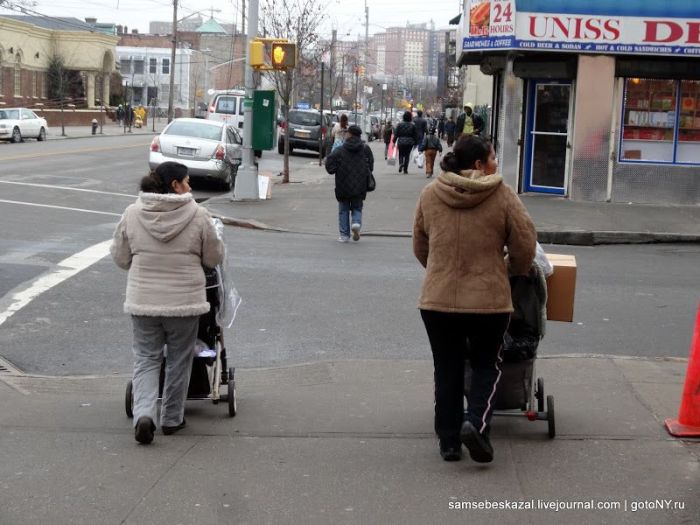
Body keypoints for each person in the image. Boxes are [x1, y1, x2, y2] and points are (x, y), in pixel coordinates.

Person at [412, 135, 536, 463]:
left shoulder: (430, 194)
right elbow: (525, 244)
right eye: (493, 157)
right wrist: (510, 272)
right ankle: (477, 425)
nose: (496, 163)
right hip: (488, 302)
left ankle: (449, 442)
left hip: (437, 301)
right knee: (486, 364)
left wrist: (441, 271)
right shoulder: (502, 195)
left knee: (447, 366)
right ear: (480, 164)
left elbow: (420, 245)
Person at [110, 162, 225, 444]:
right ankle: (172, 418)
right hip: (184, 303)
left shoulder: (132, 213)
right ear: (175, 185)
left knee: (147, 359)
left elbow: (121, 258)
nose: (189, 186)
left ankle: (145, 414)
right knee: (178, 360)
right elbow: (213, 258)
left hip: (143, 301)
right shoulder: (198, 215)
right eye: (186, 181)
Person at [325, 125, 373, 243]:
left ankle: (344, 235)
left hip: (343, 184)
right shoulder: (365, 149)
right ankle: (356, 223)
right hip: (360, 184)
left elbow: (330, 165)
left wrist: (336, 168)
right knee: (357, 207)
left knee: (343, 209)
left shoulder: (340, 150)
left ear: (349, 134)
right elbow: (370, 166)